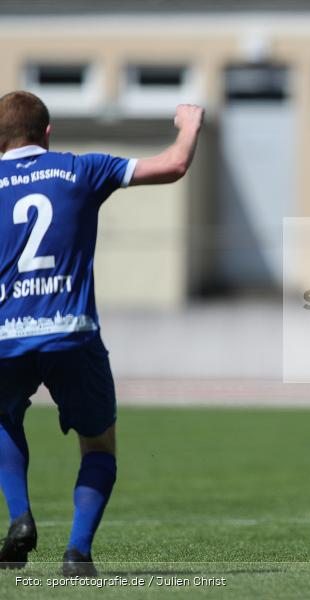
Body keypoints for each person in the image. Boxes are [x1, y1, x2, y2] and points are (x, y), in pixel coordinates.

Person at [0, 91, 204, 576]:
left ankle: (19, 518)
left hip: (6, 335)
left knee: (3, 417)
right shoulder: (81, 168)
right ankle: (77, 553)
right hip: (72, 332)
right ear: (47, 133)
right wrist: (190, 124)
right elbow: (174, 165)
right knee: (97, 445)